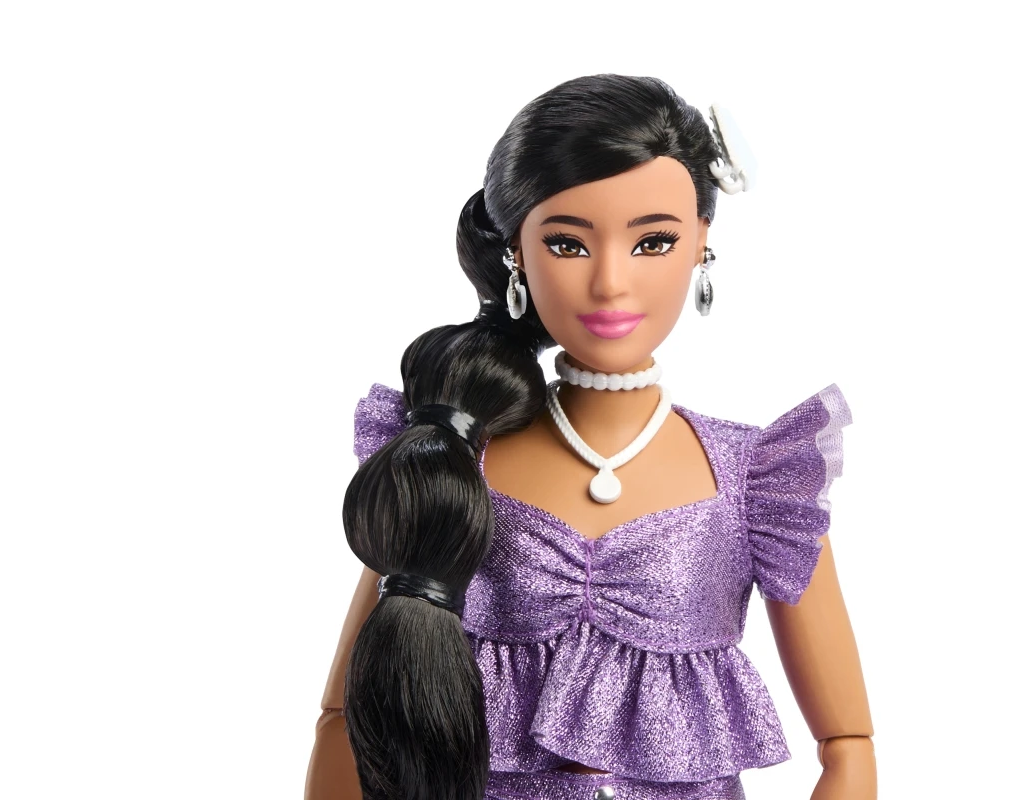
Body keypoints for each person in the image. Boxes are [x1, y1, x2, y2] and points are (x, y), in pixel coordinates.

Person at [304, 74, 875, 800]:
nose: (610, 282)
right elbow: (346, 719)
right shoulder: (455, 456)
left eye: (653, 241)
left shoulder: (755, 480)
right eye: (568, 244)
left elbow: (847, 746)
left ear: (702, 243)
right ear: (517, 254)